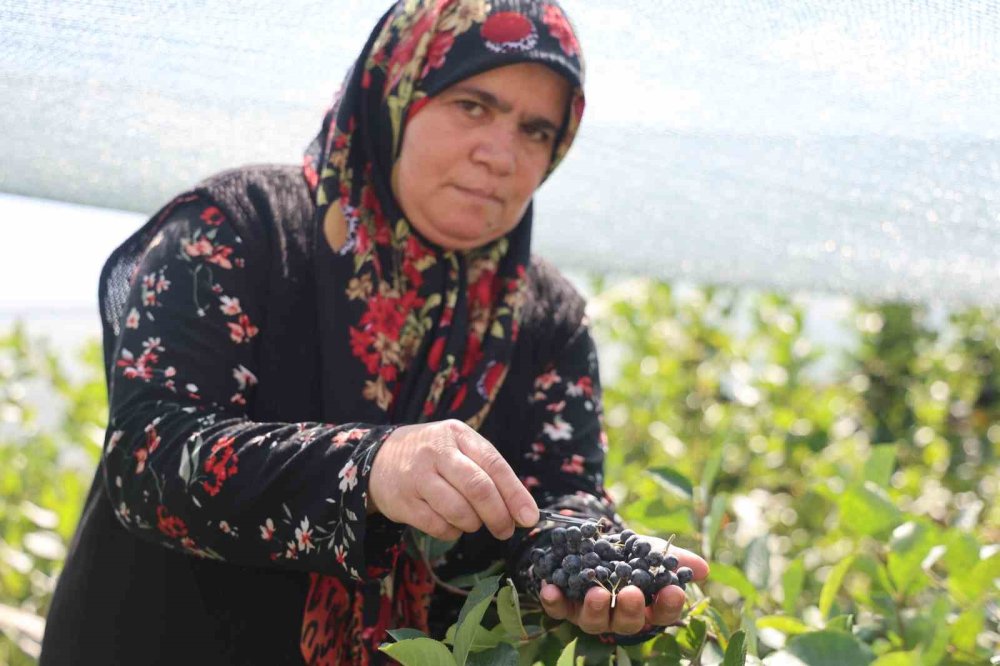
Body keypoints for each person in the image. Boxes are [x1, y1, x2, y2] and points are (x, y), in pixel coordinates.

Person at [40, 0, 708, 663]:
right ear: (394, 94)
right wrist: (371, 469)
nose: (501, 154)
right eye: (471, 105)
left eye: (536, 130)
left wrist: (582, 560)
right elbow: (149, 459)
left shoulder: (545, 317)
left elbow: (558, 492)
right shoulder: (241, 230)